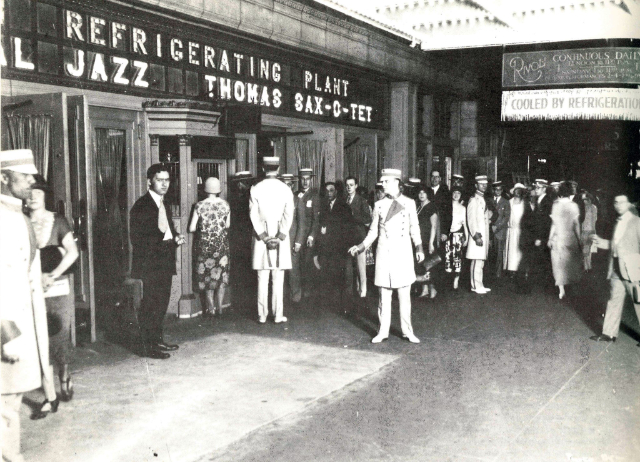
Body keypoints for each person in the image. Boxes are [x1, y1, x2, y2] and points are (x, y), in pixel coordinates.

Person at [1, 149, 51, 461]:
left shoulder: (16, 215)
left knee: (11, 399)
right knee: (6, 402)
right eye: (25, 175)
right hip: (9, 328)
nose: (32, 180)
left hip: (23, 322)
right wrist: (5, 332)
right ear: (3, 178)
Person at [349, 169, 424, 344]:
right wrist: (361, 246)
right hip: (384, 253)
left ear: (397, 182)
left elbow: (415, 228)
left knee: (404, 295)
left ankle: (407, 331)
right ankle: (383, 331)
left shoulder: (409, 203)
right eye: (382, 182)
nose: (382, 185)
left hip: (403, 254)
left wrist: (419, 248)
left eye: (386, 182)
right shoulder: (379, 205)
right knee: (384, 295)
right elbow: (373, 231)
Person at [27, 176, 79, 418]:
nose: (32, 195)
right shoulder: (21, 222)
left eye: (37, 191)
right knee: (39, 341)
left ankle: (64, 374)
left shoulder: (58, 221)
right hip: (31, 288)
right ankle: (50, 397)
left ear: (45, 194)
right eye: (29, 191)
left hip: (58, 287)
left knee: (58, 336)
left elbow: (72, 252)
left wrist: (53, 274)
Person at [130, 163, 186, 359]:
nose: (164, 184)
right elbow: (141, 239)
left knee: (161, 303)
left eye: (167, 180)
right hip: (151, 264)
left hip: (164, 261)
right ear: (149, 181)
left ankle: (156, 340)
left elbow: (166, 230)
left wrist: (176, 236)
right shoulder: (142, 205)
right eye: (159, 180)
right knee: (151, 305)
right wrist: (170, 244)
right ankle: (147, 347)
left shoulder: (163, 203)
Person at [590, 192, 640, 344]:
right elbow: (616, 244)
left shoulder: (637, 222)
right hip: (616, 268)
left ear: (630, 204)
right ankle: (608, 334)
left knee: (638, 302)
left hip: (632, 270)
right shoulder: (617, 222)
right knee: (613, 300)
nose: (618, 205)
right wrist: (601, 242)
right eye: (616, 202)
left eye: (622, 202)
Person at [249, 157, 294, 323]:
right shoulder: (285, 189)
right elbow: (289, 214)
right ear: (279, 168)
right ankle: (277, 315)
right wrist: (281, 235)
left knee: (262, 277)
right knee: (278, 278)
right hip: (280, 237)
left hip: (261, 237)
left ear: (263, 168)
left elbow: (253, 215)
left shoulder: (256, 188)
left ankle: (262, 315)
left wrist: (263, 236)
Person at [189, 177, 230, 317]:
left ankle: (210, 308)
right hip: (221, 245)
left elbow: (191, 228)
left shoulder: (199, 206)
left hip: (205, 245)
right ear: (219, 189)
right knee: (221, 276)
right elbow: (228, 225)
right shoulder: (225, 205)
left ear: (205, 189)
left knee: (207, 277)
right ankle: (220, 308)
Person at [317, 182, 354, 307]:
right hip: (327, 248)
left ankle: (343, 305)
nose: (329, 193)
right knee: (328, 275)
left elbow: (348, 230)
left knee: (341, 277)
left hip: (340, 248)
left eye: (331, 190)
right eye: (327, 191)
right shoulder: (323, 207)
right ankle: (331, 304)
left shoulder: (344, 207)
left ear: (336, 192)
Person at [290, 168, 321, 303]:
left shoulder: (314, 196)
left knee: (307, 265)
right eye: (303, 179)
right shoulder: (295, 195)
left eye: (307, 179)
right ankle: (297, 293)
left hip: (308, 236)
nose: (305, 182)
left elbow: (316, 220)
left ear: (311, 180)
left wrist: (312, 236)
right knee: (295, 265)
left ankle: (307, 293)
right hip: (297, 235)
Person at [548, 182, 583, 299]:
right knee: (571, 263)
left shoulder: (555, 204)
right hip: (570, 238)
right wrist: (579, 239)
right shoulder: (574, 205)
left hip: (557, 238)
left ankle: (561, 290)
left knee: (558, 264)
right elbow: (576, 224)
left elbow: (553, 224)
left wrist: (549, 238)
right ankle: (571, 289)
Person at [229, 171, 255, 308]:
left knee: (244, 269)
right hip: (243, 238)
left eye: (240, 182)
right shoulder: (245, 195)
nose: (239, 185)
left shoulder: (246, 196)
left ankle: (244, 301)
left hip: (244, 237)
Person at [344, 176, 372, 299]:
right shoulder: (345, 200)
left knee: (361, 266)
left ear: (356, 186)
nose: (349, 187)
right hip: (348, 237)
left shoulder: (361, 201)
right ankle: (355, 289)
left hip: (359, 237)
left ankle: (363, 290)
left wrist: (353, 216)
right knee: (350, 266)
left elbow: (368, 220)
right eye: (347, 185)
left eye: (351, 185)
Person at [466, 175, 491, 294]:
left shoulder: (482, 198)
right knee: (476, 261)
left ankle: (479, 284)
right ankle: (475, 285)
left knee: (480, 261)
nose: (484, 186)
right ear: (476, 185)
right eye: (481, 184)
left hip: (483, 235)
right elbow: (471, 220)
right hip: (477, 236)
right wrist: (476, 236)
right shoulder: (473, 200)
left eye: (485, 184)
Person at [414, 184, 439, 298]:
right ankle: (424, 289)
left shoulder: (431, 206)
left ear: (428, 194)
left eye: (424, 192)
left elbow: (434, 226)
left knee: (429, 265)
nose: (421, 195)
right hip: (420, 239)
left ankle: (432, 289)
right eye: (420, 193)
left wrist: (431, 243)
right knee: (422, 265)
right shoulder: (418, 206)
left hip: (428, 239)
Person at [445, 186, 468, 290]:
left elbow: (465, 224)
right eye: (454, 192)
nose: (456, 195)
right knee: (447, 257)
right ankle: (448, 280)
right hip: (447, 235)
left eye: (458, 193)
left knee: (457, 258)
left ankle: (456, 280)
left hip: (457, 236)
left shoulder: (463, 208)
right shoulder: (447, 206)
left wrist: (466, 238)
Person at [532, 179, 553, 287]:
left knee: (544, 259)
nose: (536, 190)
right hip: (538, 235)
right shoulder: (538, 200)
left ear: (544, 188)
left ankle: (546, 284)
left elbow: (546, 222)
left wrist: (540, 237)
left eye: (538, 188)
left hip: (543, 235)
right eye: (535, 187)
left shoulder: (547, 201)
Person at [489, 181, 510, 279]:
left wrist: (497, 227)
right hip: (489, 231)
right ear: (493, 190)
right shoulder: (489, 200)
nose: (498, 191)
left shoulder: (506, 202)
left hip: (499, 231)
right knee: (490, 252)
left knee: (499, 253)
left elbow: (506, 218)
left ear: (502, 190)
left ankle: (498, 274)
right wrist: (491, 227)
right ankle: (489, 273)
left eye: (500, 189)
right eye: (496, 189)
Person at [430, 170, 451, 249]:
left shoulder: (446, 193)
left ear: (440, 179)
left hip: (441, 230)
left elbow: (448, 213)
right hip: (429, 230)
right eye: (432, 176)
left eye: (437, 177)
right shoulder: (427, 192)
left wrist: (445, 232)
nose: (434, 179)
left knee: (439, 256)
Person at [582, 193, 598, 271]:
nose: (584, 201)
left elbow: (594, 220)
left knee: (588, 248)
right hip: (584, 230)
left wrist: (594, 231)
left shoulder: (593, 207)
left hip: (590, 230)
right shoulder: (583, 208)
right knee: (585, 248)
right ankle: (586, 266)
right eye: (584, 200)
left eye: (586, 199)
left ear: (590, 200)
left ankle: (588, 265)